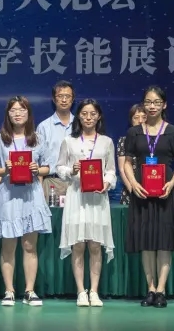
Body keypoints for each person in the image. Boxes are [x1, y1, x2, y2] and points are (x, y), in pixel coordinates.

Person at [123, 86, 174, 309]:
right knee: (146, 243)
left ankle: (161, 290)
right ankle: (150, 288)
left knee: (164, 243)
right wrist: (133, 183)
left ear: (164, 105)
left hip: (165, 192)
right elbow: (127, 162)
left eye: (156, 102)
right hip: (141, 192)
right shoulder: (134, 132)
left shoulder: (173, 131)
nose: (152, 106)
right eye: (148, 102)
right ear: (143, 104)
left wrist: (172, 183)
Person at [0, 95, 51, 307]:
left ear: (28, 113)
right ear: (8, 114)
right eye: (13, 110)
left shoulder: (38, 138)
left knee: (29, 245)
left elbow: (47, 167)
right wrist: (5, 170)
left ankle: (29, 291)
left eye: (22, 110)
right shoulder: (0, 139)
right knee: (8, 245)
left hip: (31, 195)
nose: (17, 114)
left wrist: (37, 169)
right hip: (8, 196)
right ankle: (9, 291)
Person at [56, 99, 116, 307]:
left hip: (97, 199)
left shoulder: (106, 142)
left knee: (95, 245)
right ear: (78, 116)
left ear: (98, 116)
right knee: (79, 245)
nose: (88, 118)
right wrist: (70, 170)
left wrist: (107, 183)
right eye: (84, 114)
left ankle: (94, 291)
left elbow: (111, 170)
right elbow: (59, 168)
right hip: (76, 197)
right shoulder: (69, 141)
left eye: (92, 114)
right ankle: (81, 291)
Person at [36, 81, 75, 200]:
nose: (64, 100)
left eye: (67, 96)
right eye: (60, 96)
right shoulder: (43, 127)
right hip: (51, 182)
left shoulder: (80, 125)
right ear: (54, 99)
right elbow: (38, 160)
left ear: (72, 99)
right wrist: (39, 191)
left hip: (76, 182)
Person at [117, 104, 146, 206]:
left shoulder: (155, 141)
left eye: (144, 117)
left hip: (152, 192)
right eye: (136, 117)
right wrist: (133, 190)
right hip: (130, 192)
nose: (140, 121)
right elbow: (122, 169)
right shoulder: (124, 141)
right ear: (131, 120)